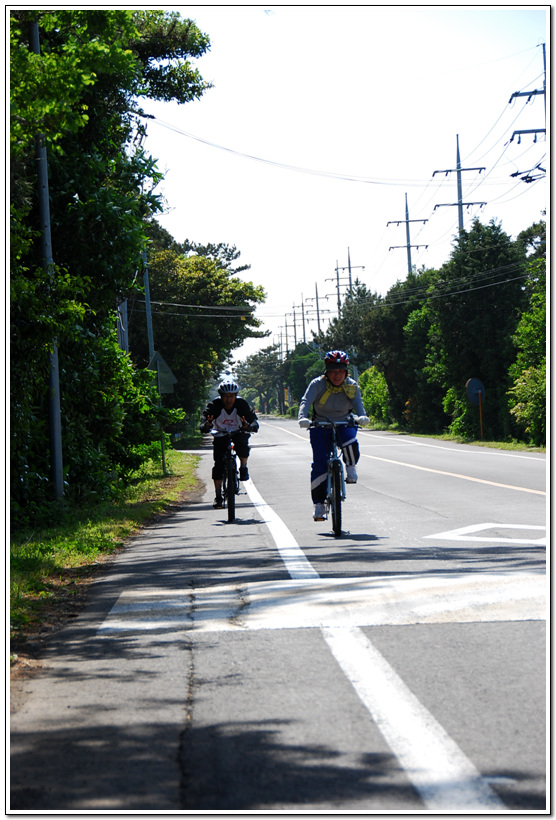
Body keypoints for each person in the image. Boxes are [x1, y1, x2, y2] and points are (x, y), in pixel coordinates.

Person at [298, 350, 369, 521]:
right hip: (320, 424)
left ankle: (350, 467)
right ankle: (319, 505)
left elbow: (358, 404)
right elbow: (305, 401)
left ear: (346, 371)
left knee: (350, 440)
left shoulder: (351, 385)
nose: (337, 375)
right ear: (327, 371)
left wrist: (362, 416)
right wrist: (303, 417)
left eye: (340, 371)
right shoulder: (317, 384)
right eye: (333, 371)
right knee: (320, 464)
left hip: (344, 422)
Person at [200, 379, 259, 508]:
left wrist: (249, 426)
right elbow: (204, 421)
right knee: (218, 465)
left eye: (231, 396)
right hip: (220, 433)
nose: (228, 400)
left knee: (243, 446)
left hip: (238, 431)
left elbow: (253, 420)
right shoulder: (214, 406)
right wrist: (206, 425)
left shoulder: (242, 404)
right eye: (226, 397)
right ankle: (218, 496)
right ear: (221, 396)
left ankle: (243, 467)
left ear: (235, 396)